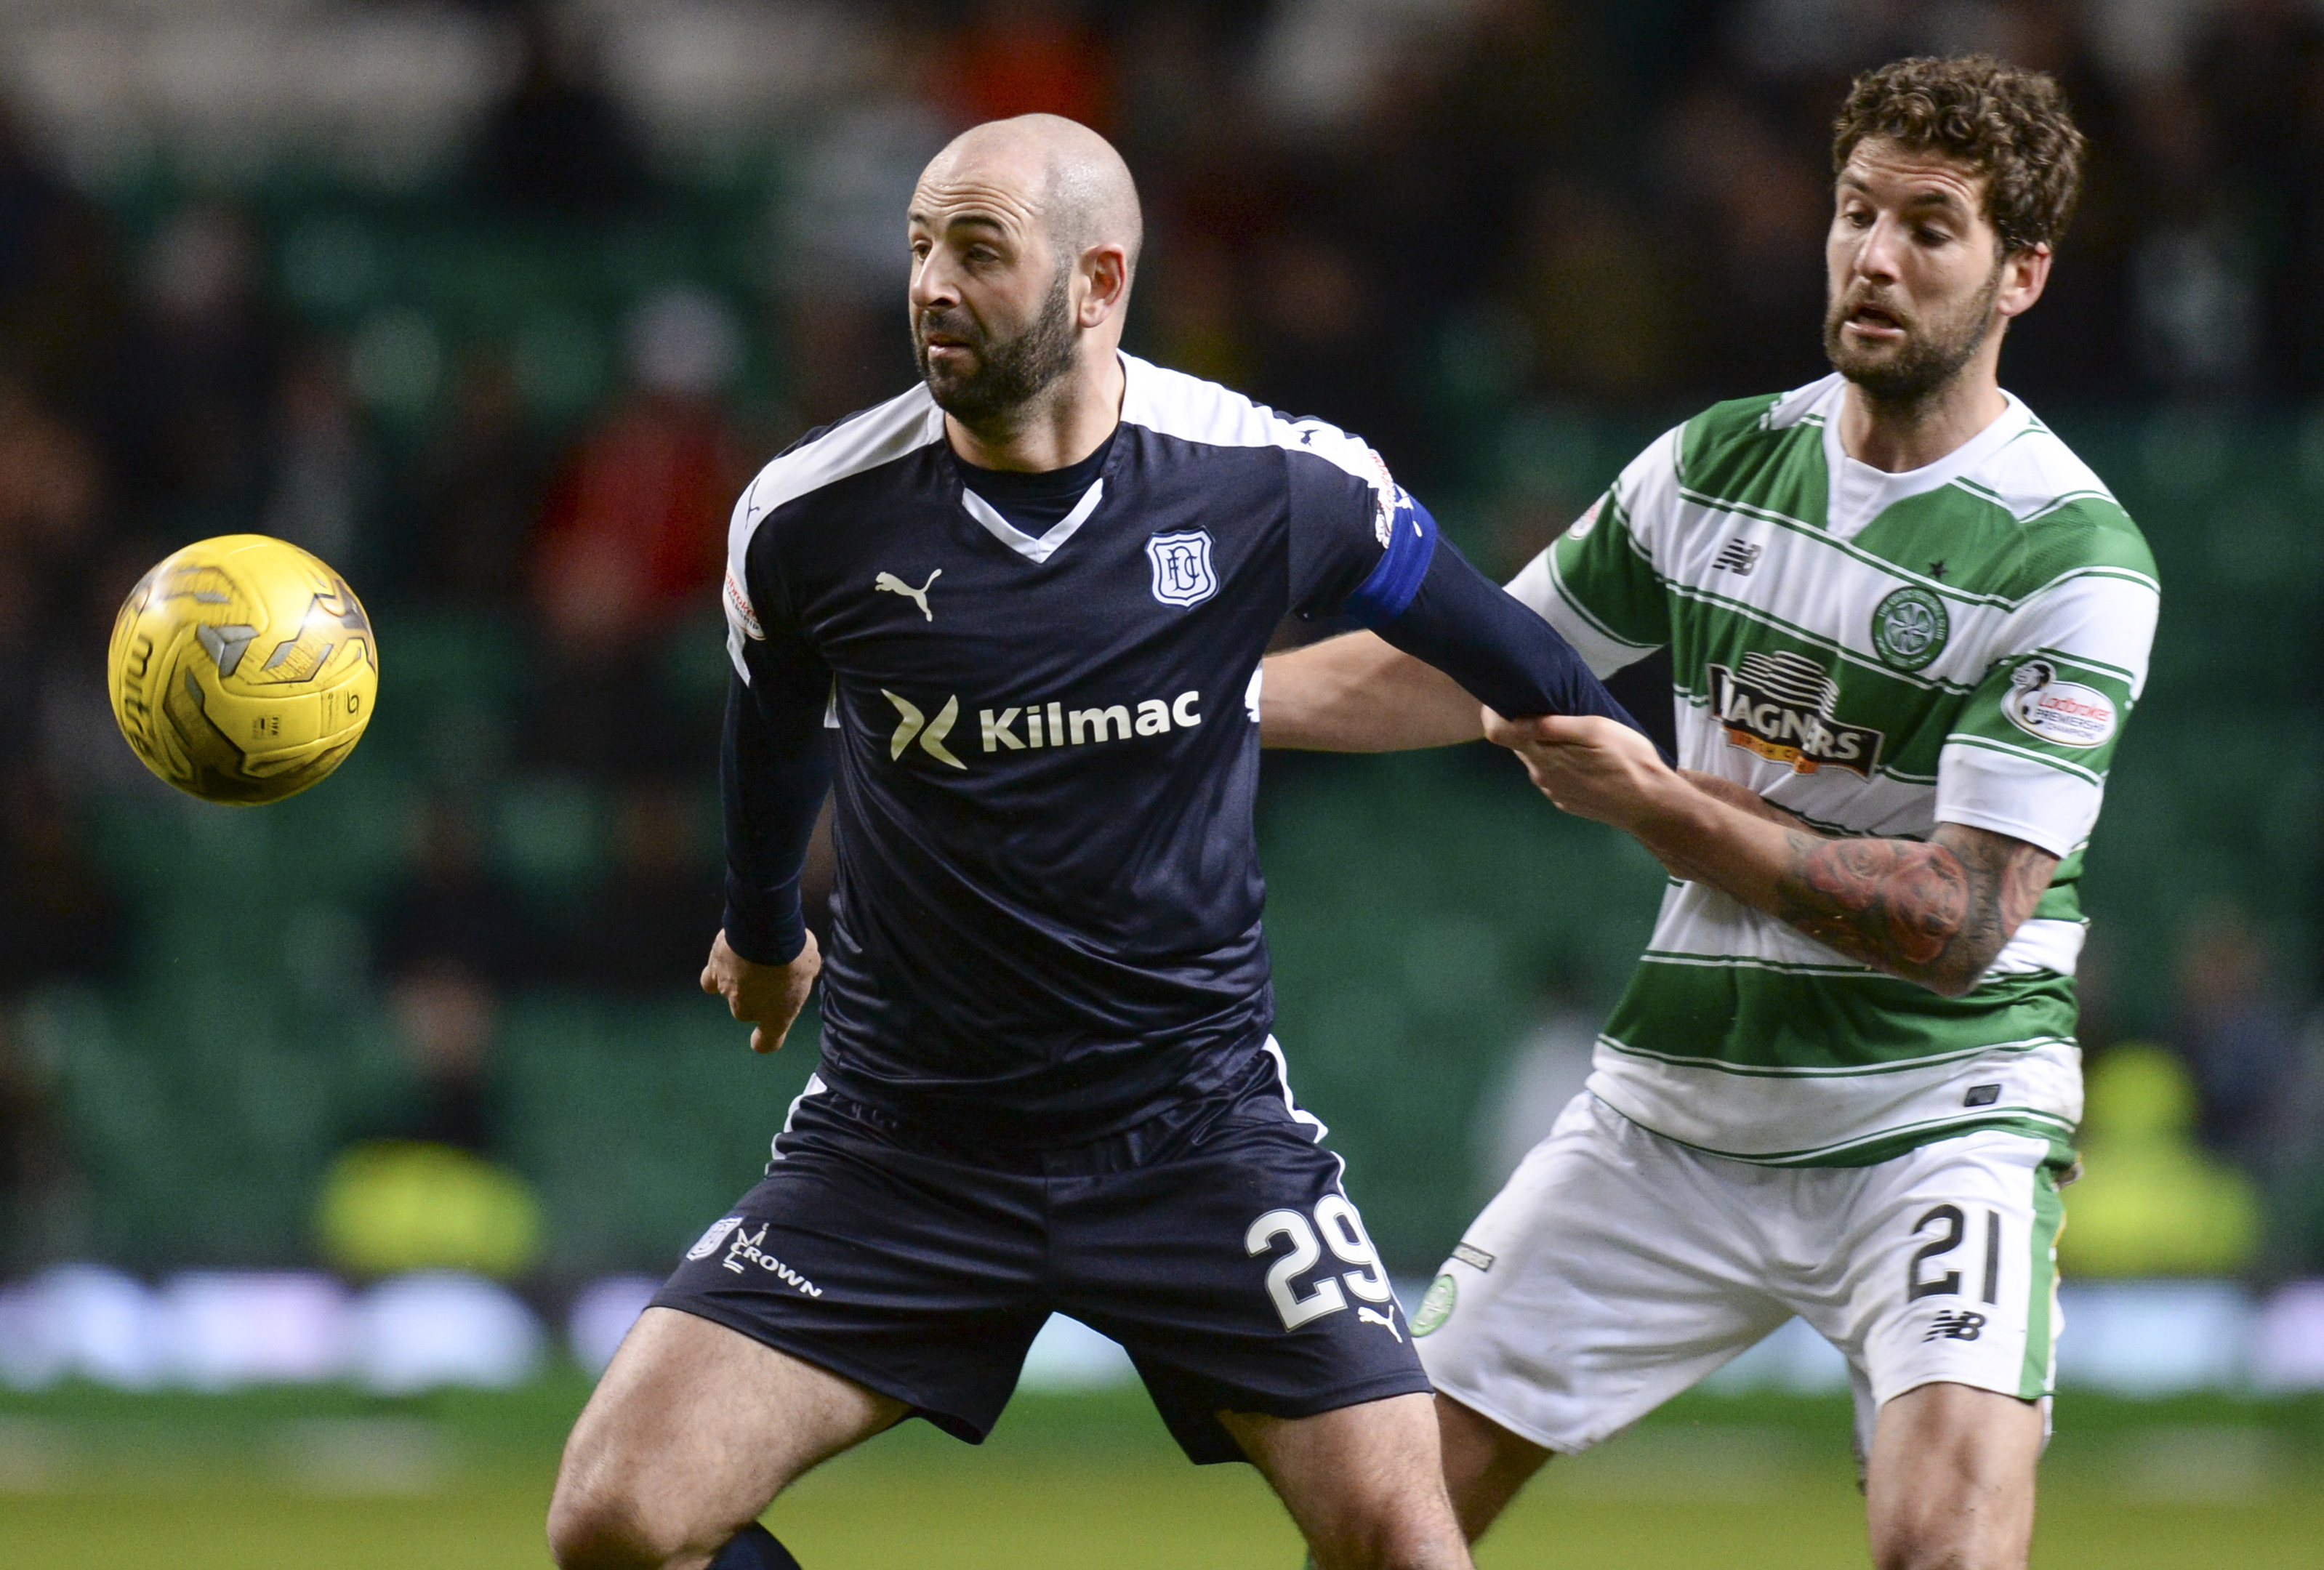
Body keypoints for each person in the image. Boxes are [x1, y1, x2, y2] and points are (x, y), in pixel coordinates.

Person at [544, 114, 1644, 1570]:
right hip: (899, 1148)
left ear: (1097, 281)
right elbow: (769, 737)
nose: (932, 283)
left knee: (1407, 1547)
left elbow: (1512, 653)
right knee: (616, 1522)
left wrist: (1651, 786)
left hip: (1199, 1139)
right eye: (922, 247)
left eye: (979, 250)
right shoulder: (809, 520)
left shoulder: (1274, 482)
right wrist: (761, 930)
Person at [1262, 56, 2154, 1570]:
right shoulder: (1718, 462)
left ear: (2025, 273)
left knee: (1944, 1547)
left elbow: (1962, 923)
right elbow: (1478, 674)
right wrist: (1184, 707)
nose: (1874, 255)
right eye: (1856, 211)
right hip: (1675, 1115)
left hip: (1935, 1116)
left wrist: (1665, 808)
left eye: (1930, 229)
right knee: (1380, 1519)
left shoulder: (2071, 554)